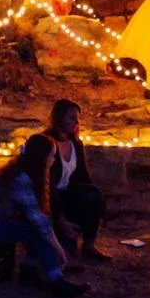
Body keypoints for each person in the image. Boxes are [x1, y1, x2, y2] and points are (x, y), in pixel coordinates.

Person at [0, 132, 89, 298]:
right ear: (42, 158)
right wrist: (59, 250)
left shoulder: (20, 171)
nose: (53, 160)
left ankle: (31, 270)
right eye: (52, 156)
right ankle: (55, 280)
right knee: (37, 230)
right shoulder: (21, 179)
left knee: (35, 227)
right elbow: (41, 224)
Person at [44, 99, 110, 261]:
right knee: (76, 199)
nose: (76, 122)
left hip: (68, 190)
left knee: (92, 194)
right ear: (59, 118)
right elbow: (47, 181)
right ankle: (67, 246)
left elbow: (83, 175)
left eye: (77, 118)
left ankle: (89, 244)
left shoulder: (75, 144)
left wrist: (95, 199)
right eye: (71, 117)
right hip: (50, 192)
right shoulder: (47, 143)